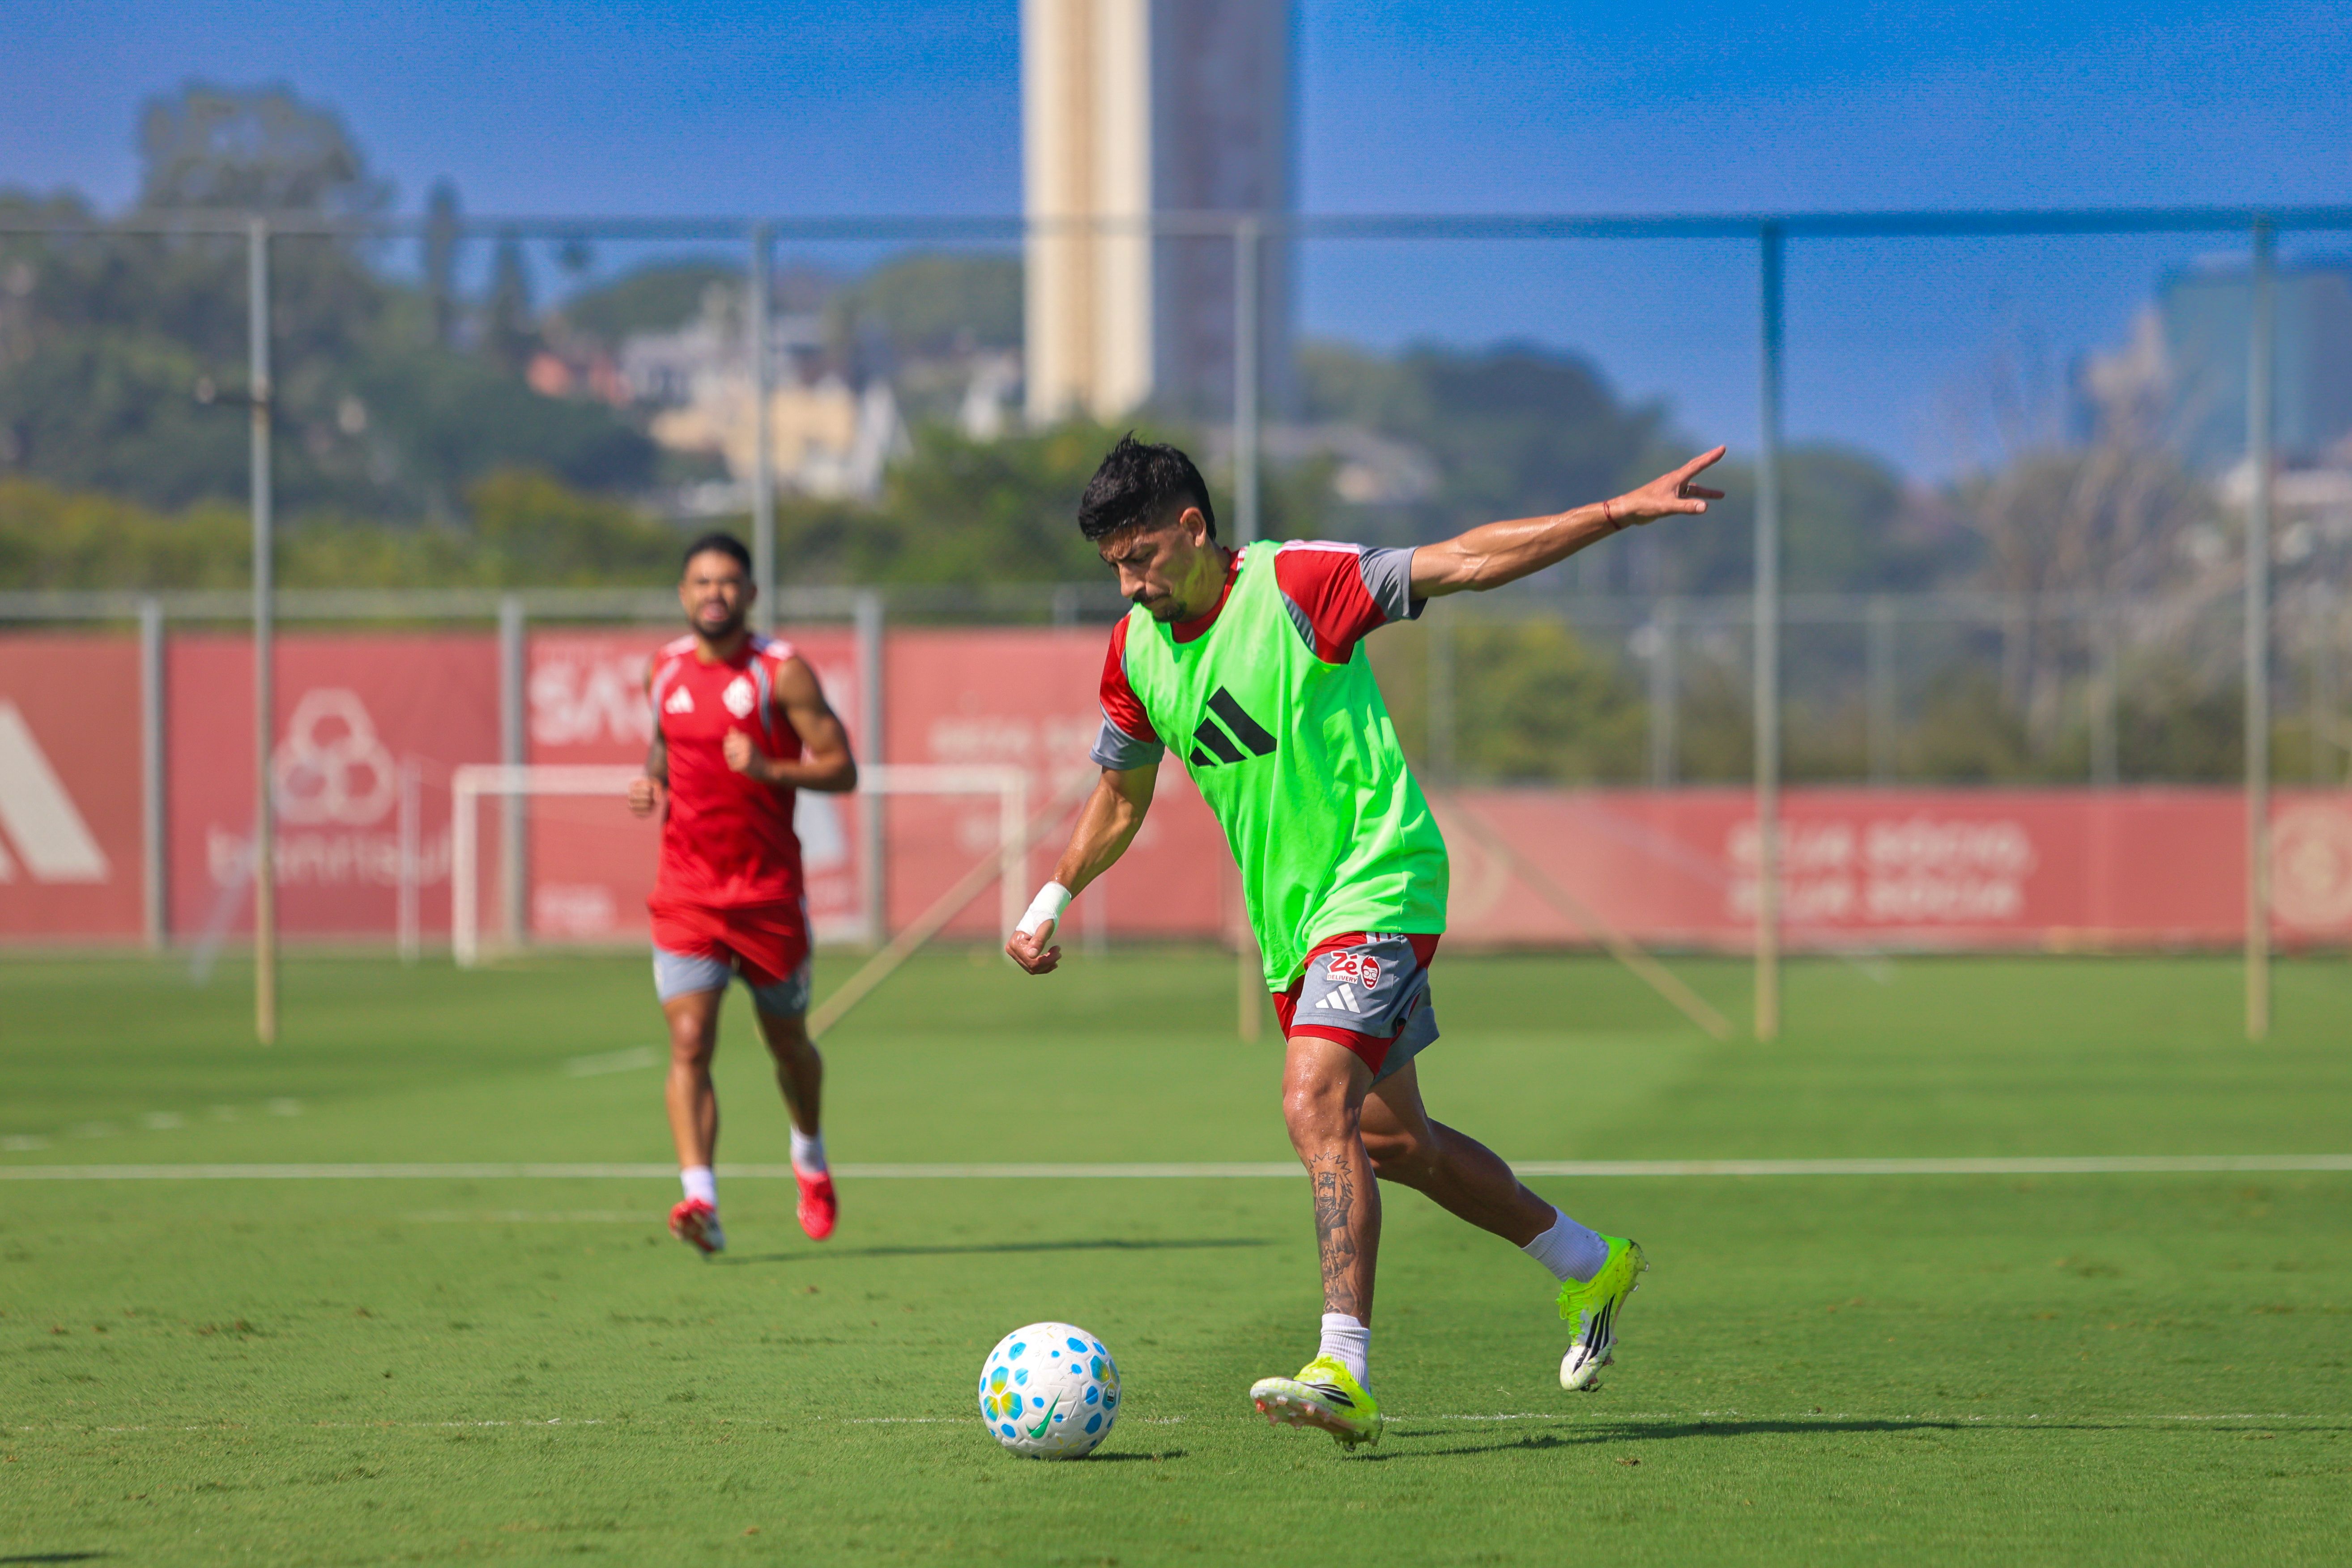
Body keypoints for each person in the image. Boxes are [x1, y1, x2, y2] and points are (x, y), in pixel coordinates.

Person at [1006, 435, 1724, 1448]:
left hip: (1380, 878)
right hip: (1294, 926)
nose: (1129, 583)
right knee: (1393, 1144)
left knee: (1312, 1099)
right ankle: (1588, 1264)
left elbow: (1463, 560)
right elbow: (1120, 799)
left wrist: (1612, 513)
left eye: (1141, 558)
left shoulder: (1300, 584)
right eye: (1113, 567)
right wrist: (1050, 897)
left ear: (1192, 529)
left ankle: (1343, 1365)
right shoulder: (1133, 653)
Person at [627, 533, 857, 1255]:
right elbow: (665, 742)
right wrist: (653, 780)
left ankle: (810, 1158)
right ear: (683, 594)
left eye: (728, 582)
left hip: (768, 898)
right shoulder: (661, 671)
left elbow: (843, 769)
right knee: (690, 1041)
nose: (714, 594)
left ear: (751, 595)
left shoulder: (779, 674)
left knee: (788, 1044)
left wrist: (769, 768)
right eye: (701, 582)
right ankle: (702, 1201)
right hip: (687, 895)